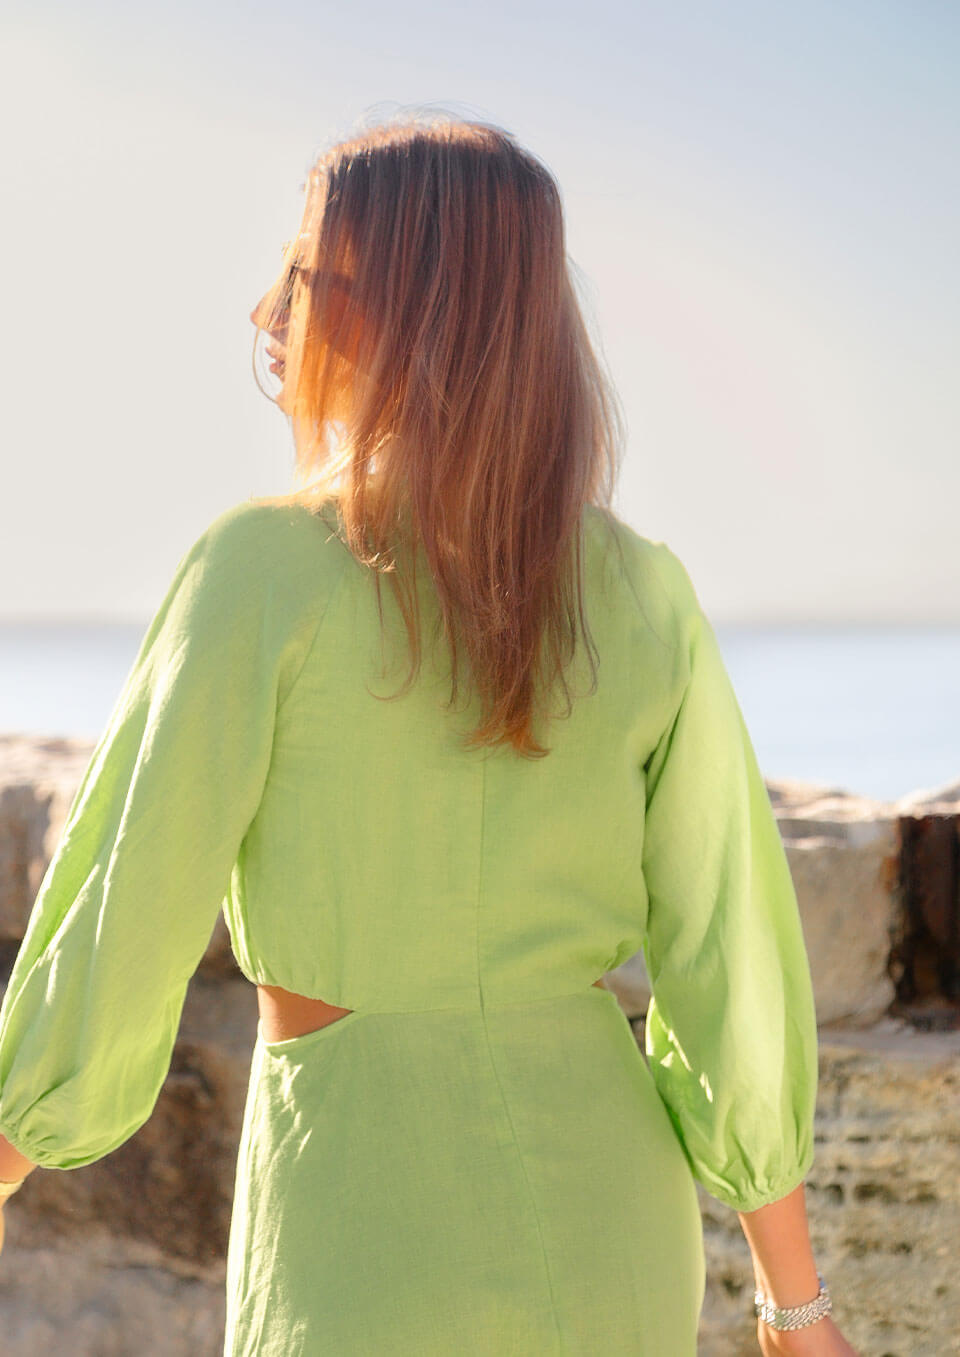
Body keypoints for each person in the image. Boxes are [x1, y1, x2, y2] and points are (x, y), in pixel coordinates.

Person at [0, 111, 859, 1356]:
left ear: (393, 304)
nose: (263, 313)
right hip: (610, 1220)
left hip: (364, 1214)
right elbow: (729, 950)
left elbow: (124, 910)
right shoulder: (641, 592)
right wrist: (796, 1306)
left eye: (296, 276)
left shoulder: (260, 573)